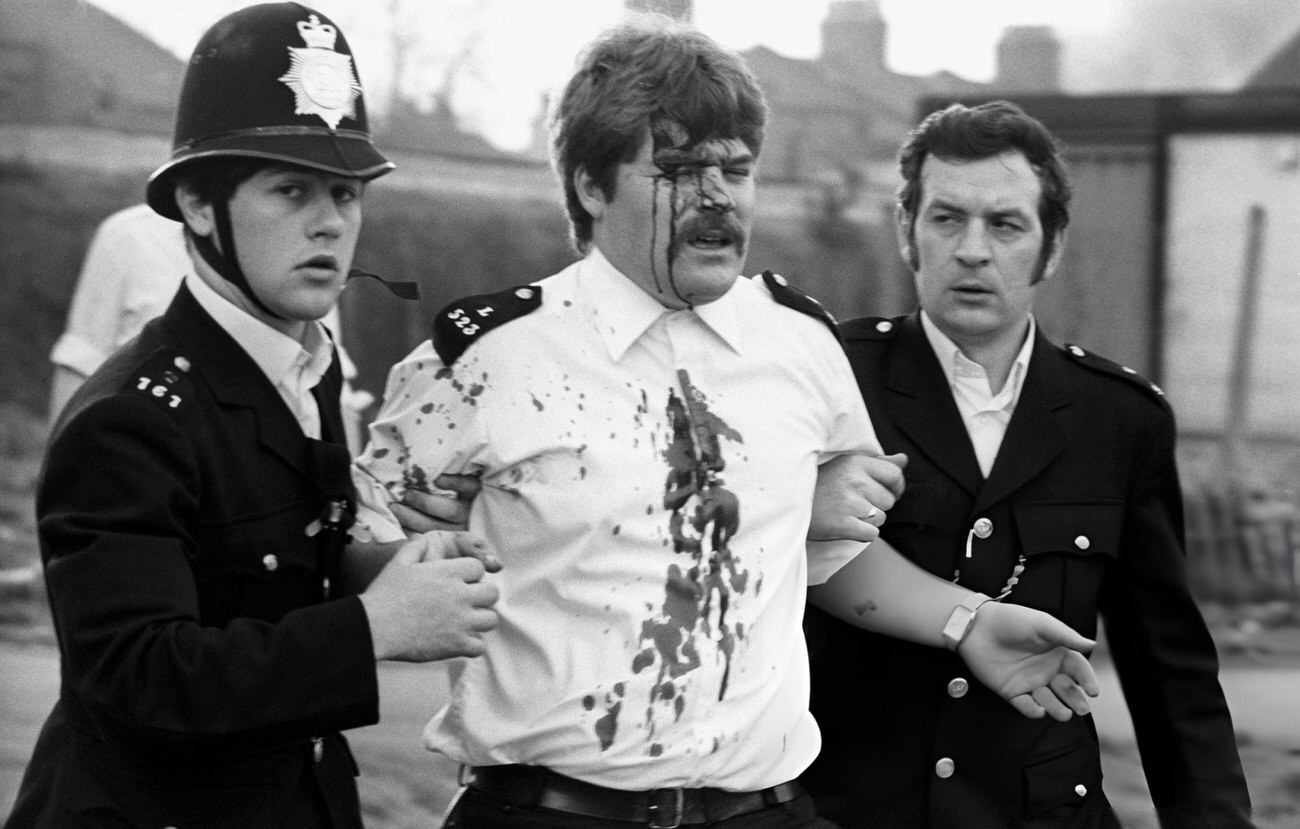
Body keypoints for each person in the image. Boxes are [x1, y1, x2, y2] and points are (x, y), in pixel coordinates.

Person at [351, 19, 1099, 829]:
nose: (716, 198)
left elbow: (831, 556)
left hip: (762, 811)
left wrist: (970, 622)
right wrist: (415, 563)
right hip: (551, 812)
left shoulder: (801, 344)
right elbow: (358, 557)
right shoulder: (485, 363)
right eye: (677, 169)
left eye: (735, 169)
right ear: (591, 187)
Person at [4, 5, 500, 828]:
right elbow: (141, 675)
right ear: (199, 205)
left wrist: (390, 566)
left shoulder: (309, 364)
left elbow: (264, 570)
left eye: (346, 192)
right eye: (291, 189)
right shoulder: (127, 419)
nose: (331, 221)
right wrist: (374, 624)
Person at [802, 100, 1253, 828]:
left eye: (1005, 225)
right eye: (947, 218)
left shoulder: (1121, 419)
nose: (972, 249)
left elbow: (1170, 672)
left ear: (1051, 246)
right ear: (906, 231)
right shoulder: (825, 380)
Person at [48, 201, 375, 452]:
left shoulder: (305, 254)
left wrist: (357, 515)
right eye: (288, 190)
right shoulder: (128, 237)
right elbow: (78, 369)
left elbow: (332, 388)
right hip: (146, 471)